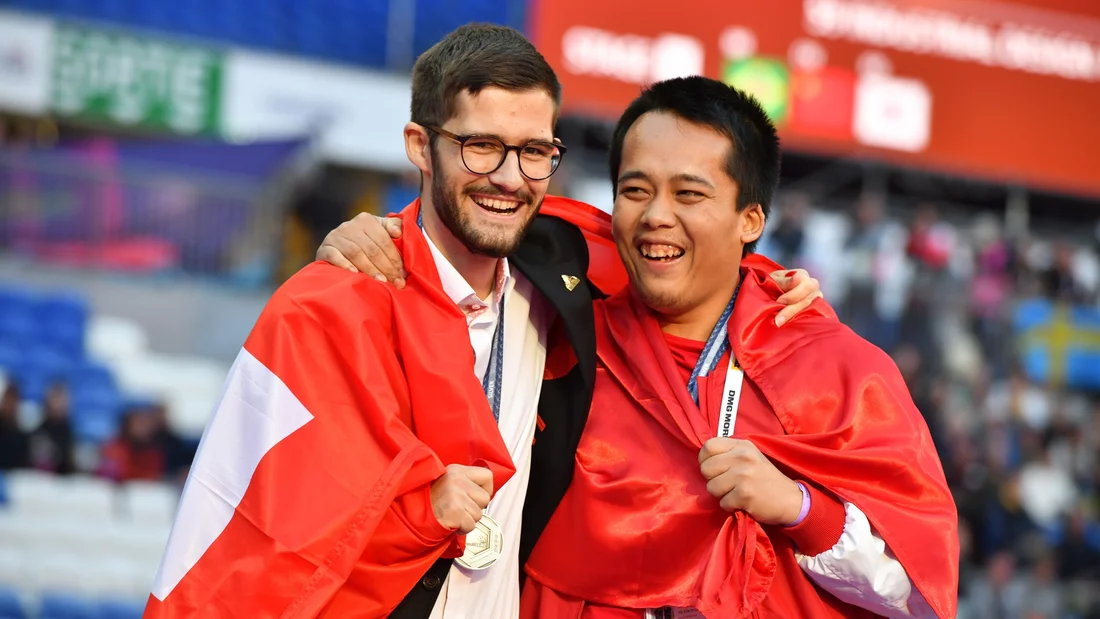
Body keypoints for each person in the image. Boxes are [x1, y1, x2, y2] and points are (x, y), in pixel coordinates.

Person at [320, 77, 959, 617]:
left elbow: (919, 595)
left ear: (751, 220)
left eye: (689, 194)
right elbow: (461, 234)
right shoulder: (558, 313)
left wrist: (801, 510)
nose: (655, 215)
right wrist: (375, 240)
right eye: (634, 190)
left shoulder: (839, 371)